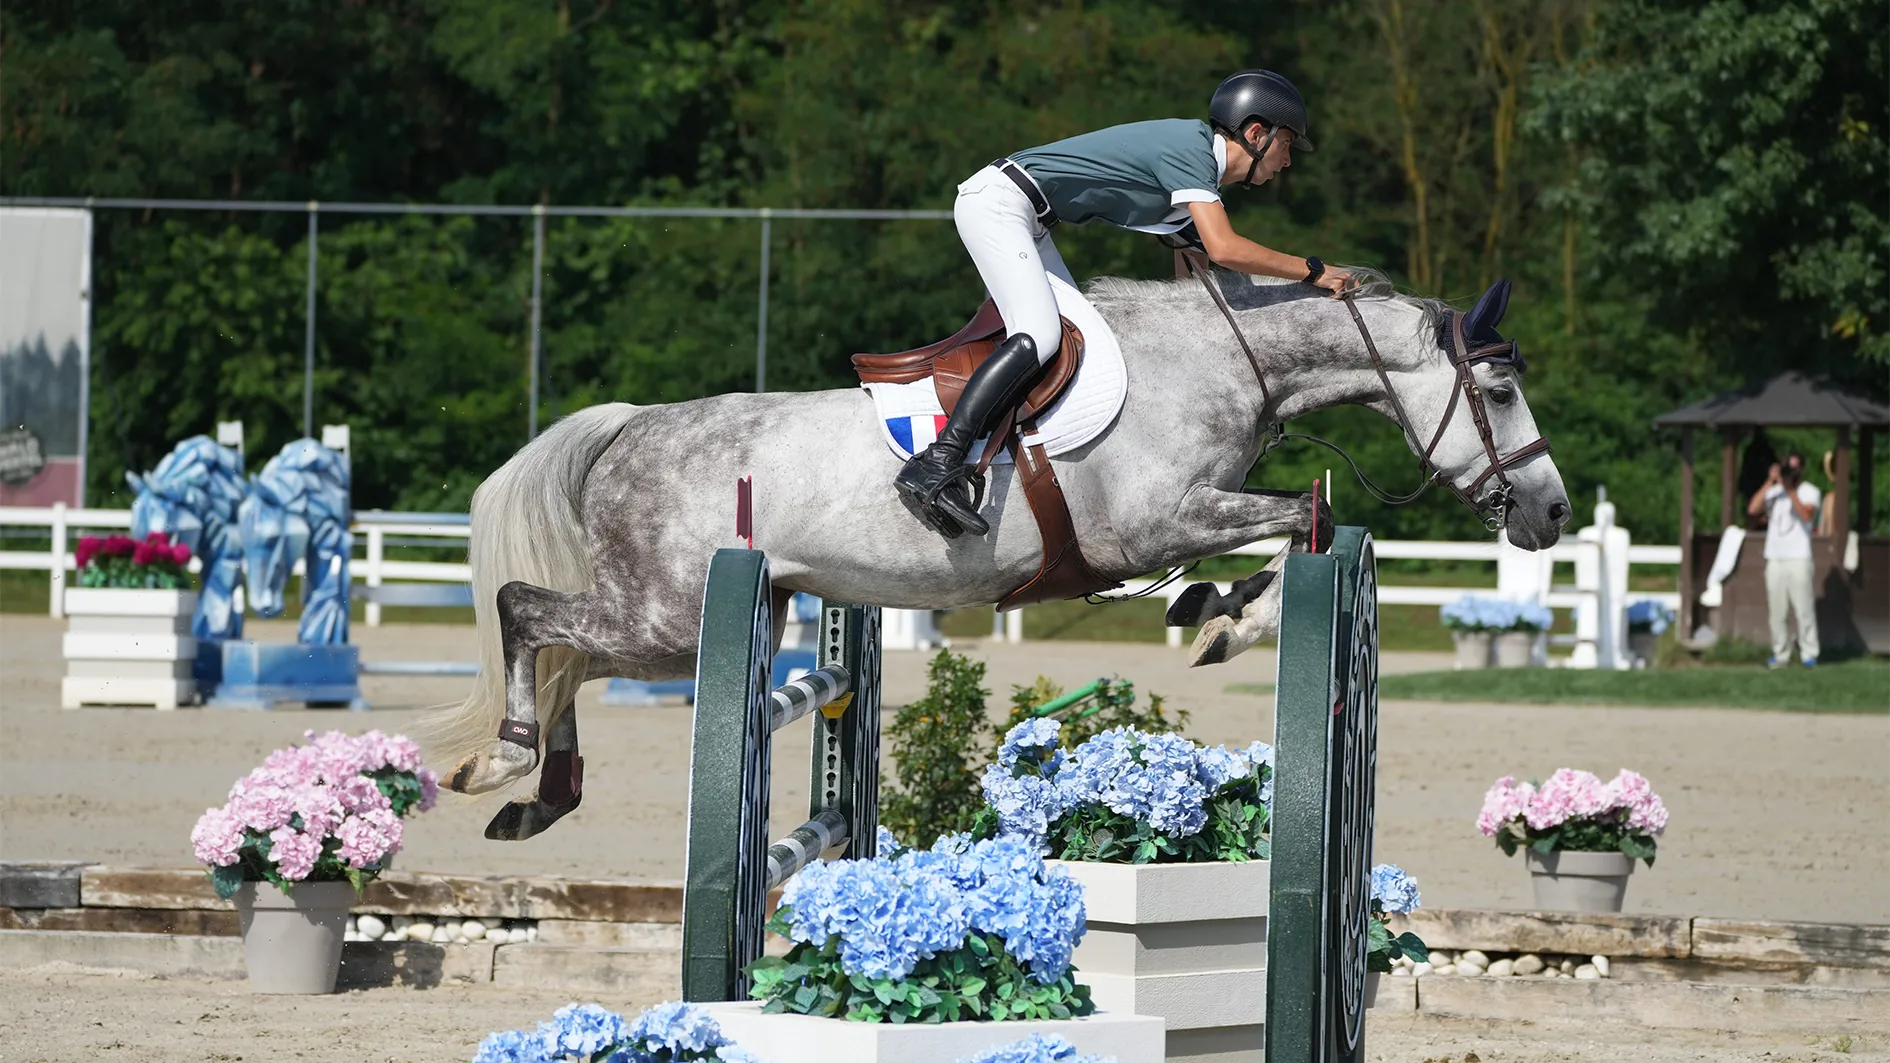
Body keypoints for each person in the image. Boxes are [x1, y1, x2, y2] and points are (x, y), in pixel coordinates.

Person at [894, 70, 1355, 539]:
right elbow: (1223, 248)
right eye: (1287, 145)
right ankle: (938, 462)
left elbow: (1203, 282)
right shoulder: (1192, 152)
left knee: (1078, 342)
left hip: (1029, 218)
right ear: (1256, 133)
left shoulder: (1193, 183)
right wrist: (1313, 270)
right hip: (998, 204)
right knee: (1043, 335)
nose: (1287, 162)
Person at [1746, 450, 1821, 667]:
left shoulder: (1809, 491)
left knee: (1804, 608)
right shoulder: (1774, 492)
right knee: (1777, 611)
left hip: (1798, 557)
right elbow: (1753, 508)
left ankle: (1809, 652)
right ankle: (1781, 653)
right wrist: (1771, 481)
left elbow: (1807, 515)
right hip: (1775, 557)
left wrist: (1790, 490)